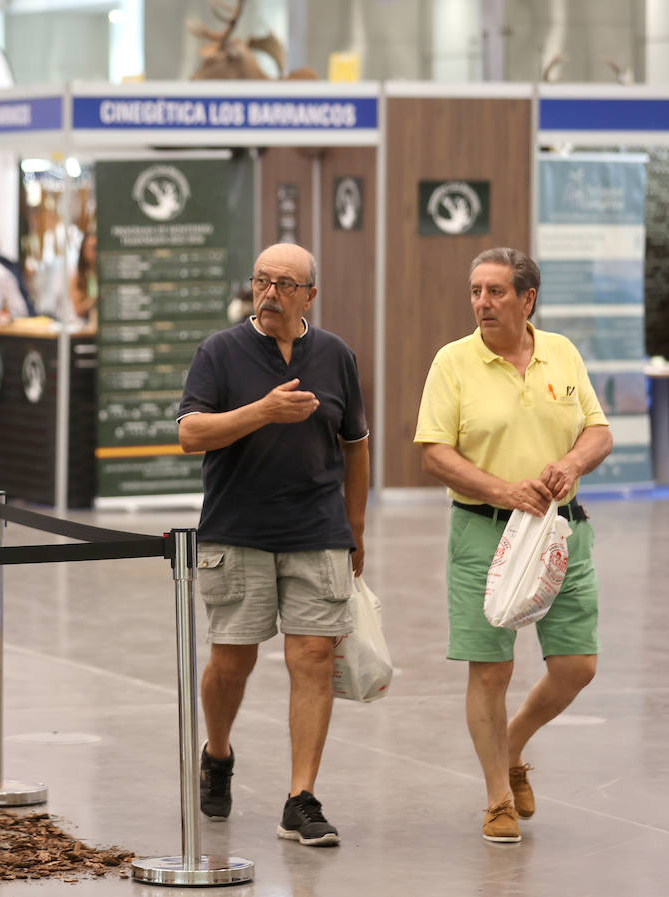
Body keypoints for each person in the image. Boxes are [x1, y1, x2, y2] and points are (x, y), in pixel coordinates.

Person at [414, 247, 611, 844]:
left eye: (495, 291)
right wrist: (504, 488)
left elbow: (597, 432)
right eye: (476, 290)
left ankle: (514, 744)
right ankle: (498, 796)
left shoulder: (563, 353)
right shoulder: (453, 363)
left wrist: (572, 462)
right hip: (484, 532)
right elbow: (434, 453)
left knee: (578, 666)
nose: (481, 303)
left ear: (528, 299)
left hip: (561, 530)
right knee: (492, 670)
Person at [176, 242, 369, 848]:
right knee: (232, 660)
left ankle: (300, 798)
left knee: (312, 660)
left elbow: (355, 444)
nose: (271, 292)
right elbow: (190, 433)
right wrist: (262, 410)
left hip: (317, 532)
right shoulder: (221, 352)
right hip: (238, 531)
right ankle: (218, 751)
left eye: (286, 283)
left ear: (310, 294)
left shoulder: (335, 355)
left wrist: (355, 527)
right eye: (262, 280)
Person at [69, 231, 99, 326]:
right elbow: (78, 310)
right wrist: (93, 301)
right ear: (83, 250)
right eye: (90, 248)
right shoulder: (77, 278)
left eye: (96, 248)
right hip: (84, 325)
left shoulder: (106, 275)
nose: (93, 252)